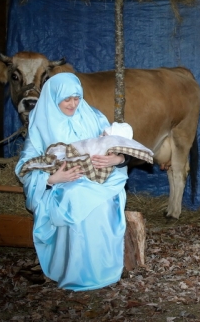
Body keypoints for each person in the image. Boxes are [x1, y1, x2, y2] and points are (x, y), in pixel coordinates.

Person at [15, 73, 131, 290]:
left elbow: (117, 144)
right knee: (73, 196)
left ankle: (100, 269)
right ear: (54, 97)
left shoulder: (94, 116)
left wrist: (118, 158)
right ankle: (75, 271)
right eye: (67, 99)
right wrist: (51, 179)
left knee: (100, 201)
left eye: (77, 98)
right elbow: (26, 165)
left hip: (99, 180)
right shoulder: (40, 124)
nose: (73, 104)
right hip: (62, 185)